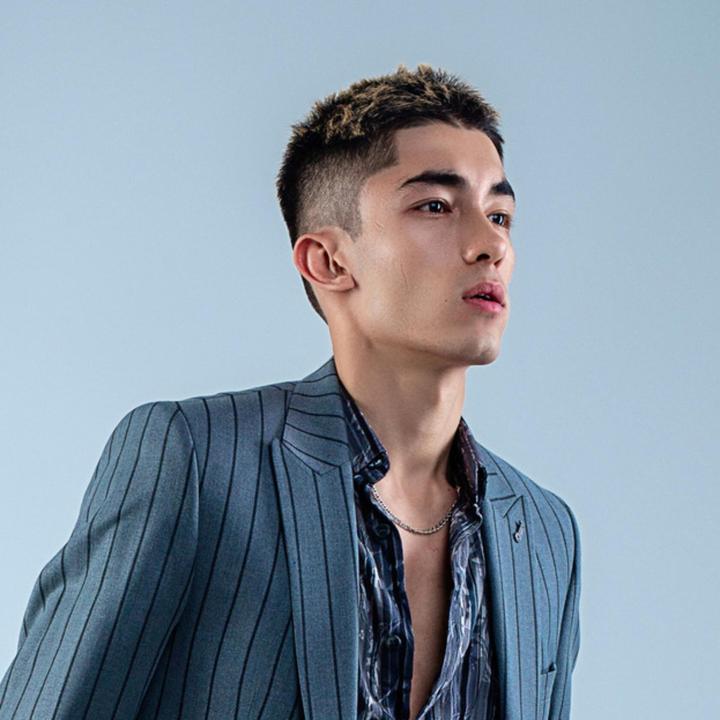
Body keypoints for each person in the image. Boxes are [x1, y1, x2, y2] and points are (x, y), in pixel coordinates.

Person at [0, 63, 581, 720]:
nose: (490, 244)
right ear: (327, 262)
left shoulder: (544, 531)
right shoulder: (196, 461)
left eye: (500, 214)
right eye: (435, 206)